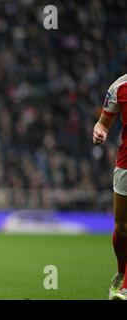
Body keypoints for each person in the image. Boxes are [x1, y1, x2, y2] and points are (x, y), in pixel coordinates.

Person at [93, 73, 127, 300]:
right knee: (122, 228)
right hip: (126, 165)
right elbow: (103, 123)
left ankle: (125, 288)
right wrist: (100, 131)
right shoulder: (119, 87)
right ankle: (121, 272)